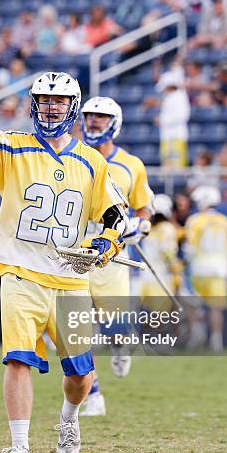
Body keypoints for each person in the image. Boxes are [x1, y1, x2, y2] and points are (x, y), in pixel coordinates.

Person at [0, 39, 127, 453]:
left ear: (73, 108)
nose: (49, 110)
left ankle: (68, 417)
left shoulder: (92, 162)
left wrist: (107, 240)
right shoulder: (12, 146)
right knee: (18, 361)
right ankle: (20, 447)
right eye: (43, 102)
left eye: (58, 103)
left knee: (80, 374)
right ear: (32, 105)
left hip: (69, 278)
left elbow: (117, 215)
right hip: (21, 272)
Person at [79, 96, 153, 416]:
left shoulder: (131, 164)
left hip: (112, 255)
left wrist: (141, 225)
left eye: (101, 117)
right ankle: (93, 394)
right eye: (89, 116)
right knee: (73, 329)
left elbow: (144, 207)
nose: (93, 122)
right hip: (76, 254)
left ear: (114, 123)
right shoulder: (72, 156)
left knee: (112, 325)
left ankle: (122, 342)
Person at [185, 186, 227, 352]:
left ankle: (196, 335)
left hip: (200, 267)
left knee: (192, 304)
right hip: (219, 268)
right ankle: (216, 342)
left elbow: (189, 248)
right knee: (216, 308)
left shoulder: (194, 220)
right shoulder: (225, 221)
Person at [157, 70, 190, 168]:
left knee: (177, 165)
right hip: (167, 136)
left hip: (176, 136)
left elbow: (183, 116)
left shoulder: (180, 97)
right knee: (167, 163)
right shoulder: (170, 97)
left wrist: (163, 121)